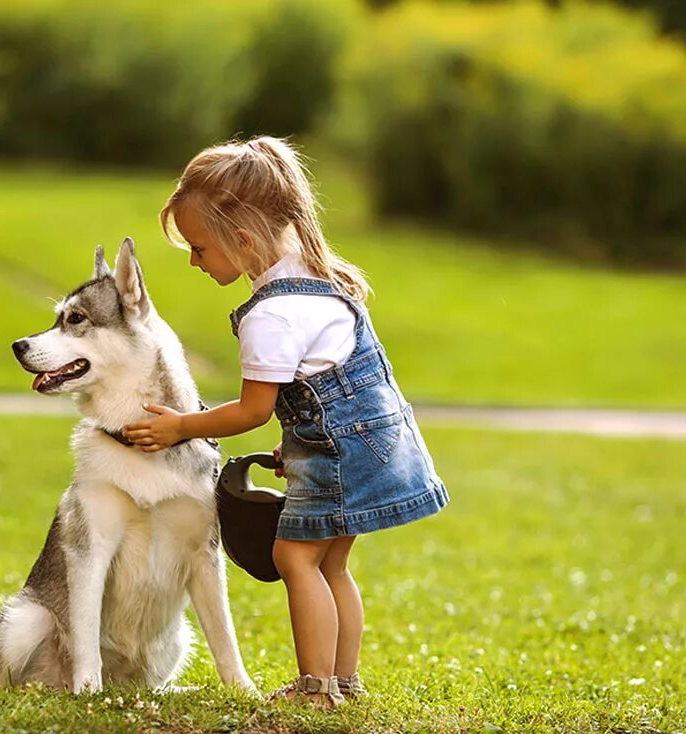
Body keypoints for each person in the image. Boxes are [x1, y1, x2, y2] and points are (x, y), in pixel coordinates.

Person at [123, 136, 449, 708]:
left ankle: (317, 688)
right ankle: (343, 681)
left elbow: (252, 408)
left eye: (199, 248)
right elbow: (321, 391)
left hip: (341, 452)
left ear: (241, 239)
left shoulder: (271, 313)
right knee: (333, 563)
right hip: (371, 444)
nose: (195, 261)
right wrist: (295, 447)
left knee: (294, 557)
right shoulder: (321, 279)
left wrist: (181, 426)